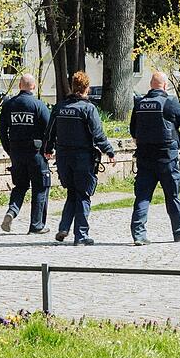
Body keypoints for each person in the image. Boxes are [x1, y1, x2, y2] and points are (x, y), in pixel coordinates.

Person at [44, 72, 115, 246]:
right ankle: (81, 235)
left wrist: (47, 149)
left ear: (73, 86)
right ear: (86, 88)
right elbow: (98, 135)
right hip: (82, 157)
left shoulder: (59, 107)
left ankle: (64, 227)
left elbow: (50, 132)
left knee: (72, 193)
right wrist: (110, 152)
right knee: (83, 195)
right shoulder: (88, 109)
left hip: (63, 158)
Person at [129, 72, 180, 246]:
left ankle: (138, 234)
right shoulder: (170, 102)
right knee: (172, 195)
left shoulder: (140, 103)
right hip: (167, 158)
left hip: (145, 158)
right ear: (165, 86)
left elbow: (133, 130)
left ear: (151, 85)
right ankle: (179, 232)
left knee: (142, 196)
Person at [0, 74, 52, 235]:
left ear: (20, 85)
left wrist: (9, 150)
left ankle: (12, 211)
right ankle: (36, 225)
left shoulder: (9, 105)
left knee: (20, 186)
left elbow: (2, 131)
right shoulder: (38, 105)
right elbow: (49, 130)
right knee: (41, 187)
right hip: (35, 153)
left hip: (16, 152)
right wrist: (48, 150)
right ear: (33, 87)